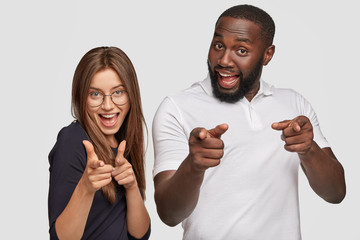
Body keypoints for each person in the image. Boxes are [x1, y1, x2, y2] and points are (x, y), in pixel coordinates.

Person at [152, 4, 346, 240]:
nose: (224, 60)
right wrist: (194, 166)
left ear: (267, 55)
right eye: (218, 45)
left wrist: (308, 149)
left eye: (241, 51)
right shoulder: (176, 107)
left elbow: (336, 193)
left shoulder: (295, 105)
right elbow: (169, 215)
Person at [48, 46, 151, 240]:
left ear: (131, 94)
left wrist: (131, 187)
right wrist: (86, 188)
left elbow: (140, 236)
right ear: (81, 97)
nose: (108, 105)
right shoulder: (72, 141)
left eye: (118, 92)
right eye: (95, 94)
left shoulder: (123, 142)